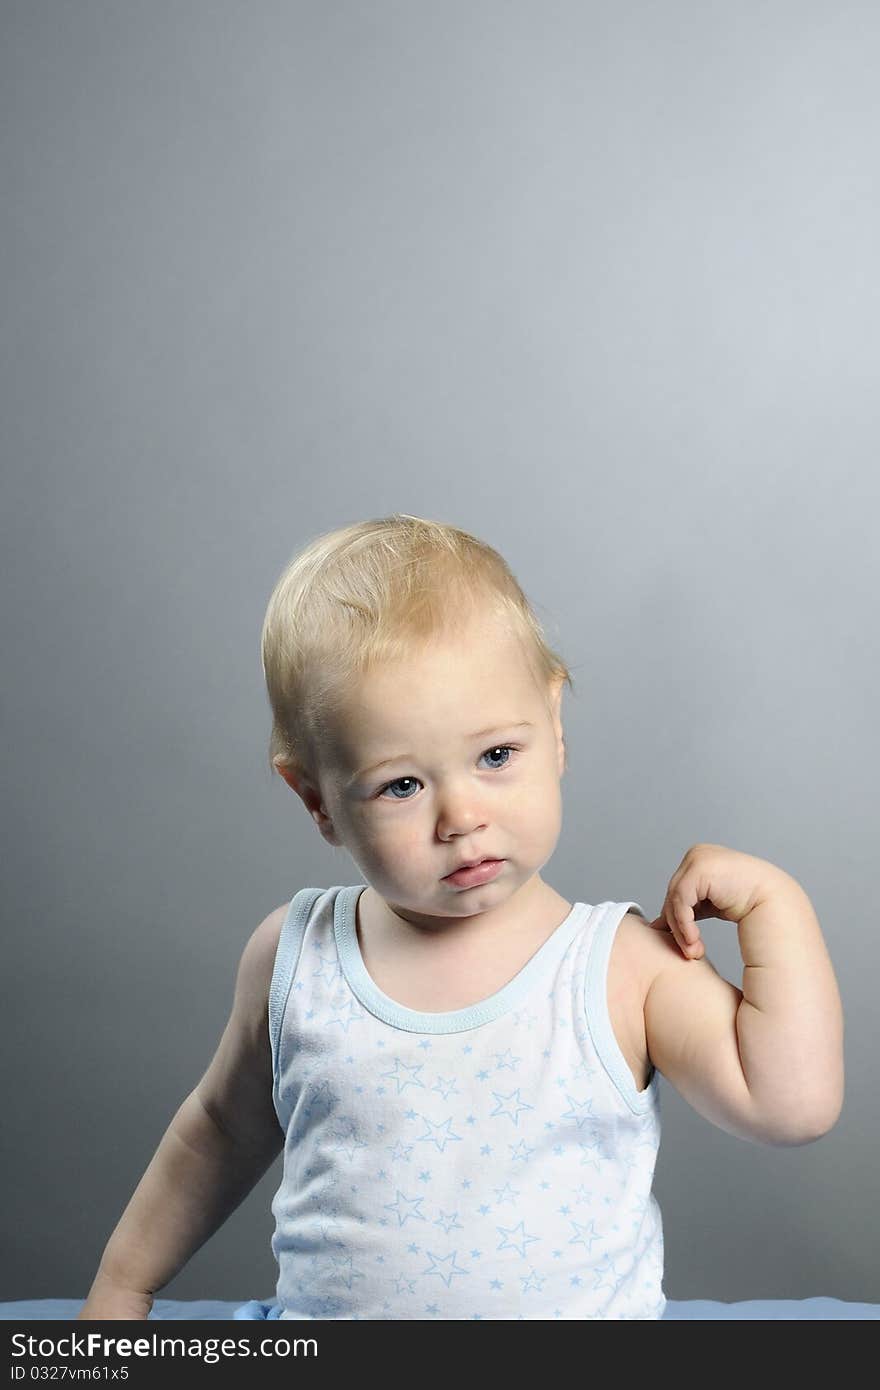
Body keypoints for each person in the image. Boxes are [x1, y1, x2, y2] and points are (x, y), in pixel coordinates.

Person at [78, 513, 844, 1321]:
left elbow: (789, 1104)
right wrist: (123, 1287)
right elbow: (219, 1134)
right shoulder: (298, 957)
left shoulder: (618, 966)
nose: (461, 817)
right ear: (318, 801)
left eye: (495, 756)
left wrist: (775, 907)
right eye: (401, 785)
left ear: (553, 728)